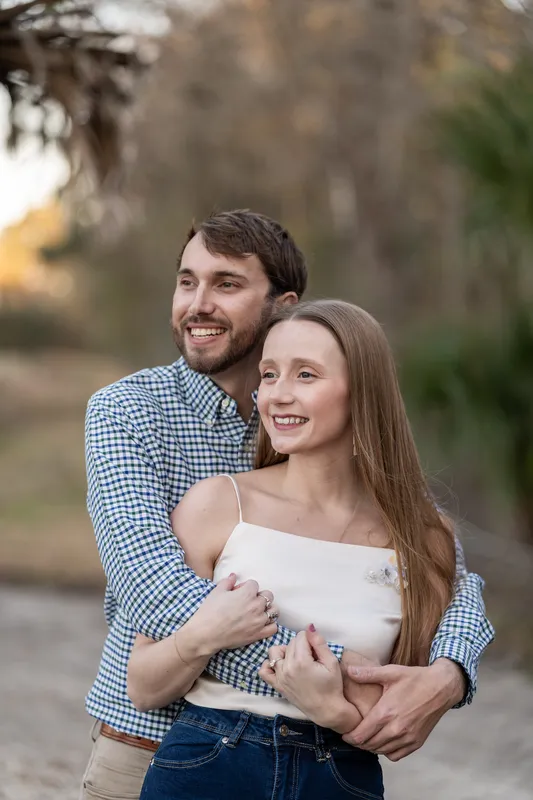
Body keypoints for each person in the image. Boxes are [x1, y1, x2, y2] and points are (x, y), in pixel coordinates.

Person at [80, 210, 494, 800]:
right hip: (148, 745)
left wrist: (449, 673)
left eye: (225, 284)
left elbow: (444, 568)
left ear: (282, 304)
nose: (198, 304)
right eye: (186, 280)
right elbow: (151, 591)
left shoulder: (323, 423)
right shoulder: (128, 412)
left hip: (325, 762)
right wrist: (351, 684)